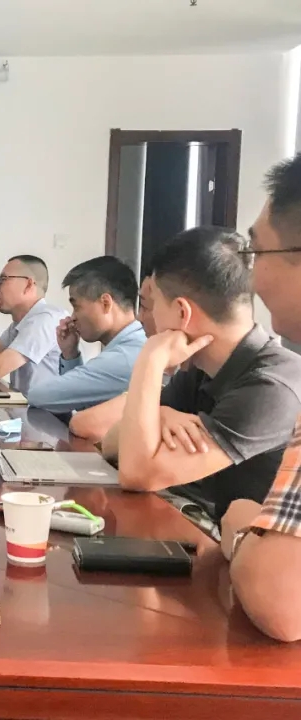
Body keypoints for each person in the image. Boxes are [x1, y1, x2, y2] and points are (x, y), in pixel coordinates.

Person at [101, 227, 301, 524]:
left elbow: (137, 474)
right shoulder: (200, 369)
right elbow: (111, 443)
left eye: (153, 305)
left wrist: (151, 360)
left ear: (182, 313)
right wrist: (161, 414)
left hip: (249, 546)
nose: (147, 318)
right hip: (209, 532)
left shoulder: (271, 387)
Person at [218, 155, 301, 642]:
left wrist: (243, 526)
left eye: (257, 253)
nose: (252, 280)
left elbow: (281, 599)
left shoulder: (273, 378)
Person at [26, 256, 146, 414]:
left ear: (105, 303)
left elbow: (39, 396)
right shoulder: (134, 345)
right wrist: (70, 354)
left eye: (76, 307)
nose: (73, 317)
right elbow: (80, 402)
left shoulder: (123, 357)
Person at [68, 275, 158, 440]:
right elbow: (79, 408)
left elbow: (84, 422)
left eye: (145, 307)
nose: (139, 317)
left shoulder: (128, 355)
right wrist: (70, 354)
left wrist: (159, 357)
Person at [0, 255, 67, 395]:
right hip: (28, 407)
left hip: (48, 409)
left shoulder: (46, 320)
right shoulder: (22, 322)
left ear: (28, 284)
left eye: (3, 280)